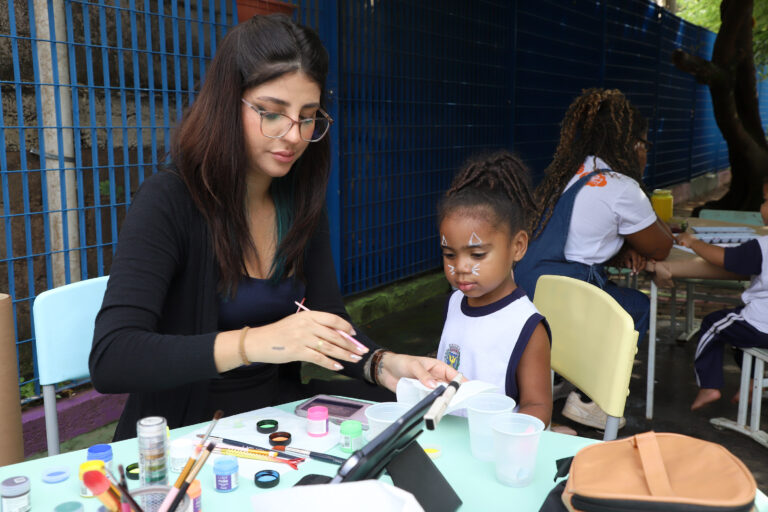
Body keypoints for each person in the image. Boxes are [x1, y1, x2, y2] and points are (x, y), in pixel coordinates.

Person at [89, 14, 458, 441]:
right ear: (228, 103)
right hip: (188, 433)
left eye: (308, 116)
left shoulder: (297, 200)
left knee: (412, 426)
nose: (293, 136)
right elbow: (113, 356)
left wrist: (384, 364)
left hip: (277, 422)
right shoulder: (169, 200)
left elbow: (327, 319)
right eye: (271, 113)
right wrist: (256, 342)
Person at [514, 88, 673, 429]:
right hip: (565, 299)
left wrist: (624, 244)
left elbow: (581, 235)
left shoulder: (567, 173)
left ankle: (559, 377)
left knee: (605, 295)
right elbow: (662, 247)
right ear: (633, 144)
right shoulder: (620, 186)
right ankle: (591, 402)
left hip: (525, 290)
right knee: (635, 306)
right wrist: (640, 202)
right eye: (644, 144)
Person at [435, 150, 552, 425]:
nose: (461, 267)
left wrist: (504, 438)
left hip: (493, 444)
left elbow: (538, 406)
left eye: (477, 255)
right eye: (450, 255)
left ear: (517, 246)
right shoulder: (455, 302)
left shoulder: (526, 326)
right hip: (446, 436)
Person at [677, 194, 768, 410]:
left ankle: (708, 386)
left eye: (766, 200)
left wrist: (693, 242)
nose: (761, 205)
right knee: (738, 331)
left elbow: (726, 259)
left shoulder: (762, 246)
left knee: (713, 325)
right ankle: (752, 383)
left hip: (762, 324)